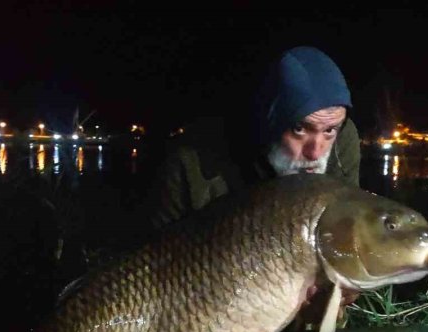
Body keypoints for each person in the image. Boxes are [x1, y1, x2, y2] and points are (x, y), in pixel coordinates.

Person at [147, 46, 361, 229]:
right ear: (270, 124)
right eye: (299, 129)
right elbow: (156, 248)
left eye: (329, 131)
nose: (315, 152)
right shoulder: (191, 160)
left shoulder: (343, 140)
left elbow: (347, 224)